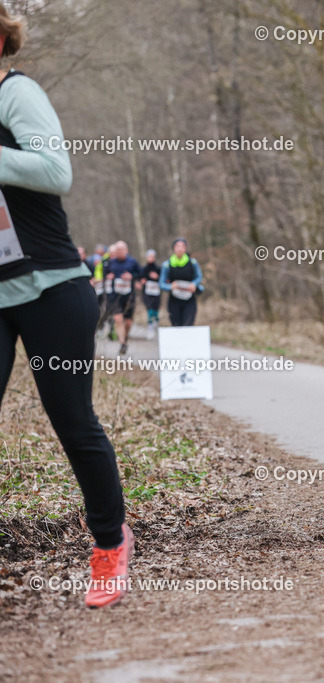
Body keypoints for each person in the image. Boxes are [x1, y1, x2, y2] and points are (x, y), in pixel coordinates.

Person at [0, 6, 132, 607]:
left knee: (72, 421)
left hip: (54, 287)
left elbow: (56, 171)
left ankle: (108, 543)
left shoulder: (17, 93)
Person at [101, 240, 141, 355]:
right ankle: (122, 343)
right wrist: (108, 276)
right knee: (118, 319)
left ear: (126, 251)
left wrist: (132, 277)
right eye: (117, 249)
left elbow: (141, 274)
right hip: (115, 296)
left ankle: (125, 337)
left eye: (121, 249)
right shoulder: (111, 263)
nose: (119, 251)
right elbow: (104, 274)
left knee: (128, 322)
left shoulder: (132, 262)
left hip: (129, 297)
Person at [159, 237, 203, 326]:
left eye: (182, 246)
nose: (179, 249)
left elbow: (199, 277)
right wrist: (170, 286)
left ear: (185, 248)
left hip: (190, 300)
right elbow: (161, 284)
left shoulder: (193, 263)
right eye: (177, 246)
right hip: (174, 301)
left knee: (188, 325)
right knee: (176, 326)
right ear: (173, 249)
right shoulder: (167, 265)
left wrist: (194, 284)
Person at [139, 248, 161, 339]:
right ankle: (150, 329)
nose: (150, 258)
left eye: (152, 256)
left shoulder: (158, 269)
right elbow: (139, 278)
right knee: (150, 311)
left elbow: (164, 280)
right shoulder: (144, 269)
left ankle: (156, 325)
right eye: (149, 256)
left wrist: (157, 277)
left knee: (155, 311)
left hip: (156, 293)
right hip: (147, 293)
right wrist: (142, 281)